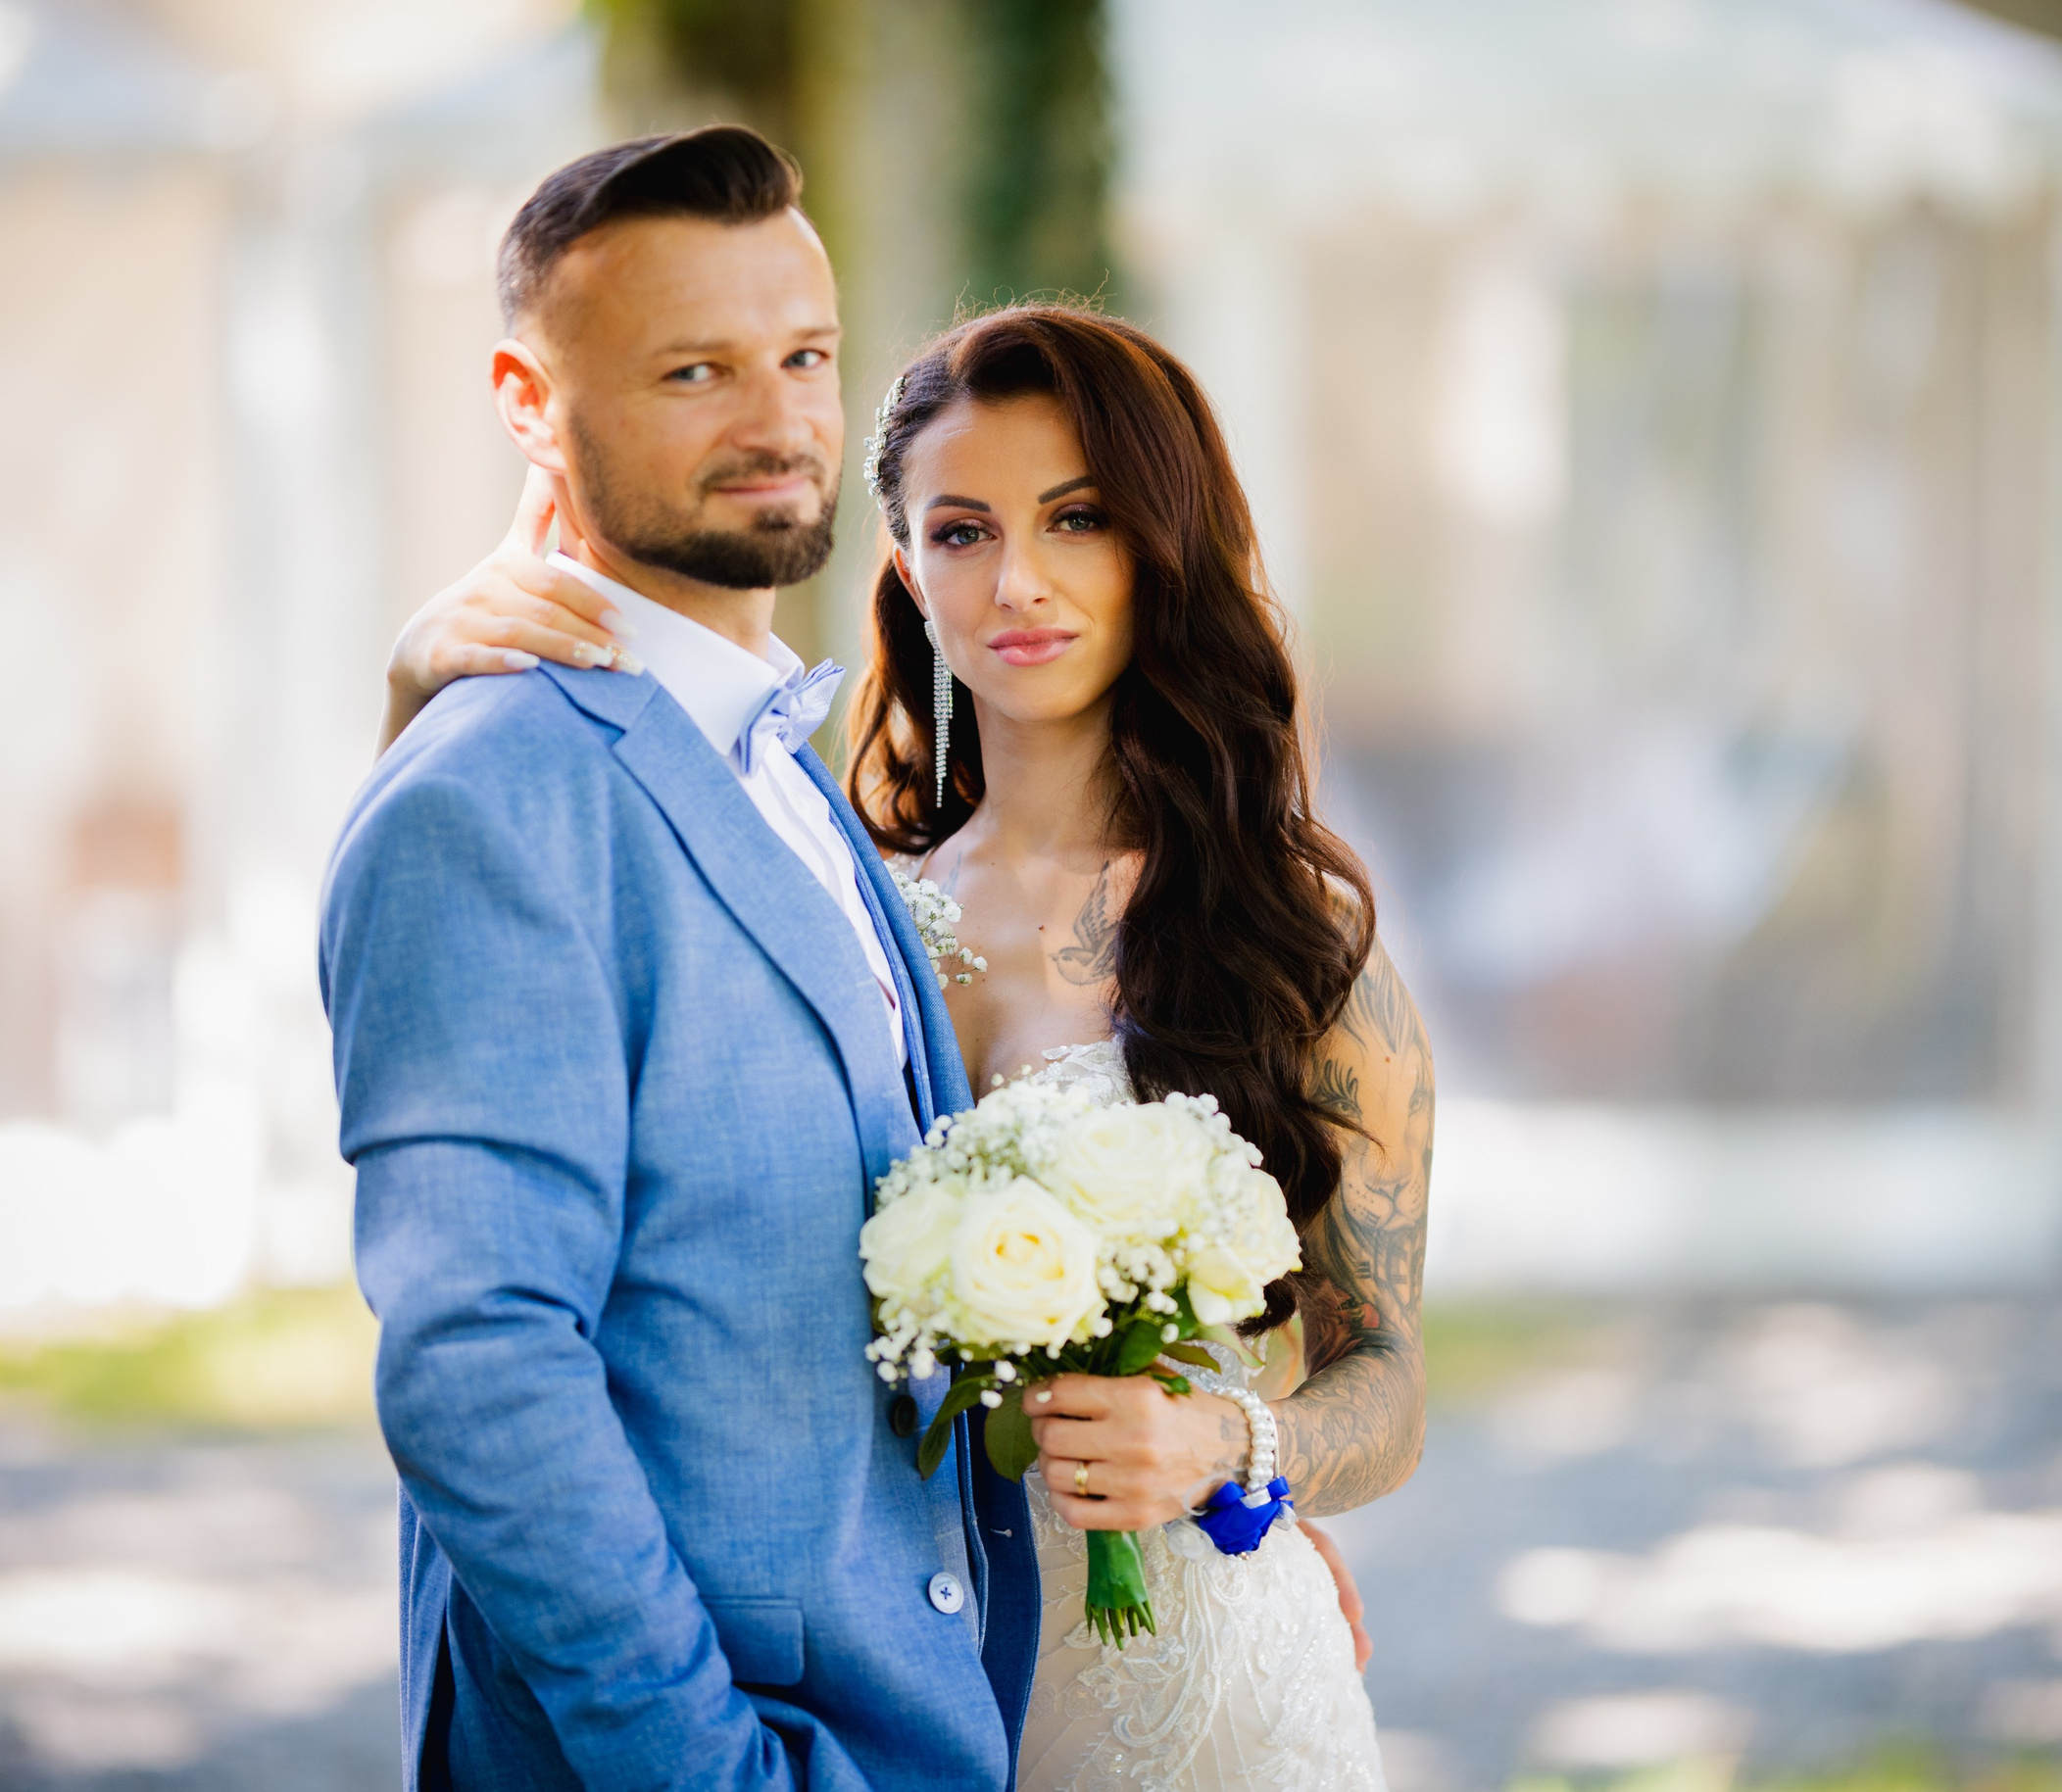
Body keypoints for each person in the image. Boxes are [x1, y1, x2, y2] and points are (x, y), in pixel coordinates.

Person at [382, 199, 1434, 1792]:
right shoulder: (829, 885)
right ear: (905, 568)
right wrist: (418, 703)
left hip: (1207, 1679)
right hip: (896, 1672)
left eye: (1078, 519)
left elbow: (1390, 1376)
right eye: (962, 530)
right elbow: (501, 1019)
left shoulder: (1295, 937)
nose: (1020, 580)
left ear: (1163, 545)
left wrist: (1235, 1452)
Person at [323, 127, 1037, 1792]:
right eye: (695, 370)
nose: (779, 422)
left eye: (805, 358)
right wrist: (707, 1768)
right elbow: (480, 1366)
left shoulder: (783, 763)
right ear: (530, 402)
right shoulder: (490, 793)